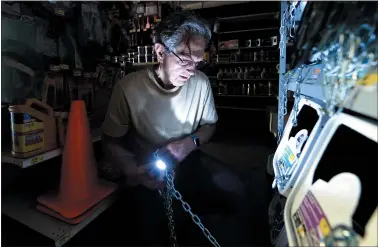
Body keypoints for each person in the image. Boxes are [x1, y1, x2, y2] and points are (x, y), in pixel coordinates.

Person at [99, 11, 224, 246]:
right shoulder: (128, 88)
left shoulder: (201, 83)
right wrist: (131, 169)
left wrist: (189, 144)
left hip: (188, 158)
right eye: (185, 58)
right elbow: (110, 142)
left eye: (197, 61)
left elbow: (209, 125)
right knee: (148, 227)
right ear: (160, 52)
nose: (191, 70)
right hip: (147, 166)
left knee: (230, 198)